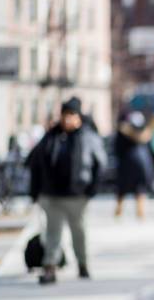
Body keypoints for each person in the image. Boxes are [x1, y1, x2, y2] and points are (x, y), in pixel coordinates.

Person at [27, 96, 107, 284]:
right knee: (52, 233)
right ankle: (49, 267)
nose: (67, 119)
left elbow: (100, 164)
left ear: (79, 117)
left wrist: (91, 190)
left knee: (78, 232)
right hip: (52, 195)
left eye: (72, 115)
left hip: (77, 196)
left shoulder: (88, 136)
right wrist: (35, 191)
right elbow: (36, 164)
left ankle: (83, 265)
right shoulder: (51, 136)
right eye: (65, 115)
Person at [113, 110, 154, 219]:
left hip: (128, 165)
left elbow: (116, 149)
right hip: (133, 165)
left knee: (128, 189)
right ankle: (137, 214)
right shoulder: (143, 133)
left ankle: (130, 213)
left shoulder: (125, 132)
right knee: (134, 189)